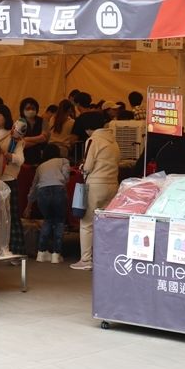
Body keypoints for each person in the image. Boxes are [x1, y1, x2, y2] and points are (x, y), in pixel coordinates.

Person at [71, 113, 120, 271]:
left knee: (87, 223)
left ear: (87, 128)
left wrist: (81, 168)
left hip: (96, 185)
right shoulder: (114, 142)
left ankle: (86, 260)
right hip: (113, 184)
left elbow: (88, 166)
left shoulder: (93, 140)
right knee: (106, 224)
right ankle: (105, 257)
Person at [0, 104, 25, 255]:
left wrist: (5, 153)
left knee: (11, 215)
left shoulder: (14, 137)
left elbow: (20, 160)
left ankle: (16, 250)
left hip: (8, 179)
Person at [27, 145, 70, 264]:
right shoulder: (63, 161)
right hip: (59, 190)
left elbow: (34, 186)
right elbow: (66, 176)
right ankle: (56, 254)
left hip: (42, 192)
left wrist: (28, 205)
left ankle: (41, 252)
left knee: (48, 220)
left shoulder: (40, 167)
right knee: (59, 221)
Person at [17, 97, 49, 165]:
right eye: (27, 108)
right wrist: (39, 138)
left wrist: (26, 139)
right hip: (24, 156)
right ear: (22, 110)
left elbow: (44, 139)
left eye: (33, 108)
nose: (30, 110)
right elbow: (21, 144)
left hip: (40, 155)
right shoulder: (19, 123)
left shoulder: (43, 121)